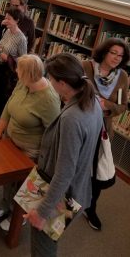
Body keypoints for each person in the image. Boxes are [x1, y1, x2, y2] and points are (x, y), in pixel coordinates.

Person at [24, 53, 102, 257]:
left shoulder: (72, 118)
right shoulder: (92, 102)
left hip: (62, 195)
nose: (48, 82)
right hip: (79, 188)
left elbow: (65, 171)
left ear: (63, 83)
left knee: (43, 246)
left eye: (50, 78)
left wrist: (42, 213)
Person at [0, 54, 61, 231]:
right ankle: (6, 203)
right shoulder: (24, 82)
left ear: (29, 74)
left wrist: (41, 162)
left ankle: (17, 215)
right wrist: (0, 128)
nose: (15, 71)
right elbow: (9, 105)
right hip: (10, 141)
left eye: (19, 70)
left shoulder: (49, 99)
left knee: (22, 184)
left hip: (30, 150)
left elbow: (52, 134)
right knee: (8, 178)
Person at [82, 37, 130, 230]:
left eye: (121, 55)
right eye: (113, 53)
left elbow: (122, 106)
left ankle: (90, 207)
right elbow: (70, 91)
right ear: (104, 51)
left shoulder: (122, 77)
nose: (117, 58)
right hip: (81, 124)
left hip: (102, 129)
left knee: (96, 172)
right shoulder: (86, 67)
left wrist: (106, 105)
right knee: (72, 163)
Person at [0, 6, 27, 125]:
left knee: (0, 99)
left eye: (9, 19)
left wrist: (9, 58)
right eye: (5, 18)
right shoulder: (7, 31)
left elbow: (23, 60)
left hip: (6, 73)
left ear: (17, 20)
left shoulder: (21, 38)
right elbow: (1, 45)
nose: (5, 21)